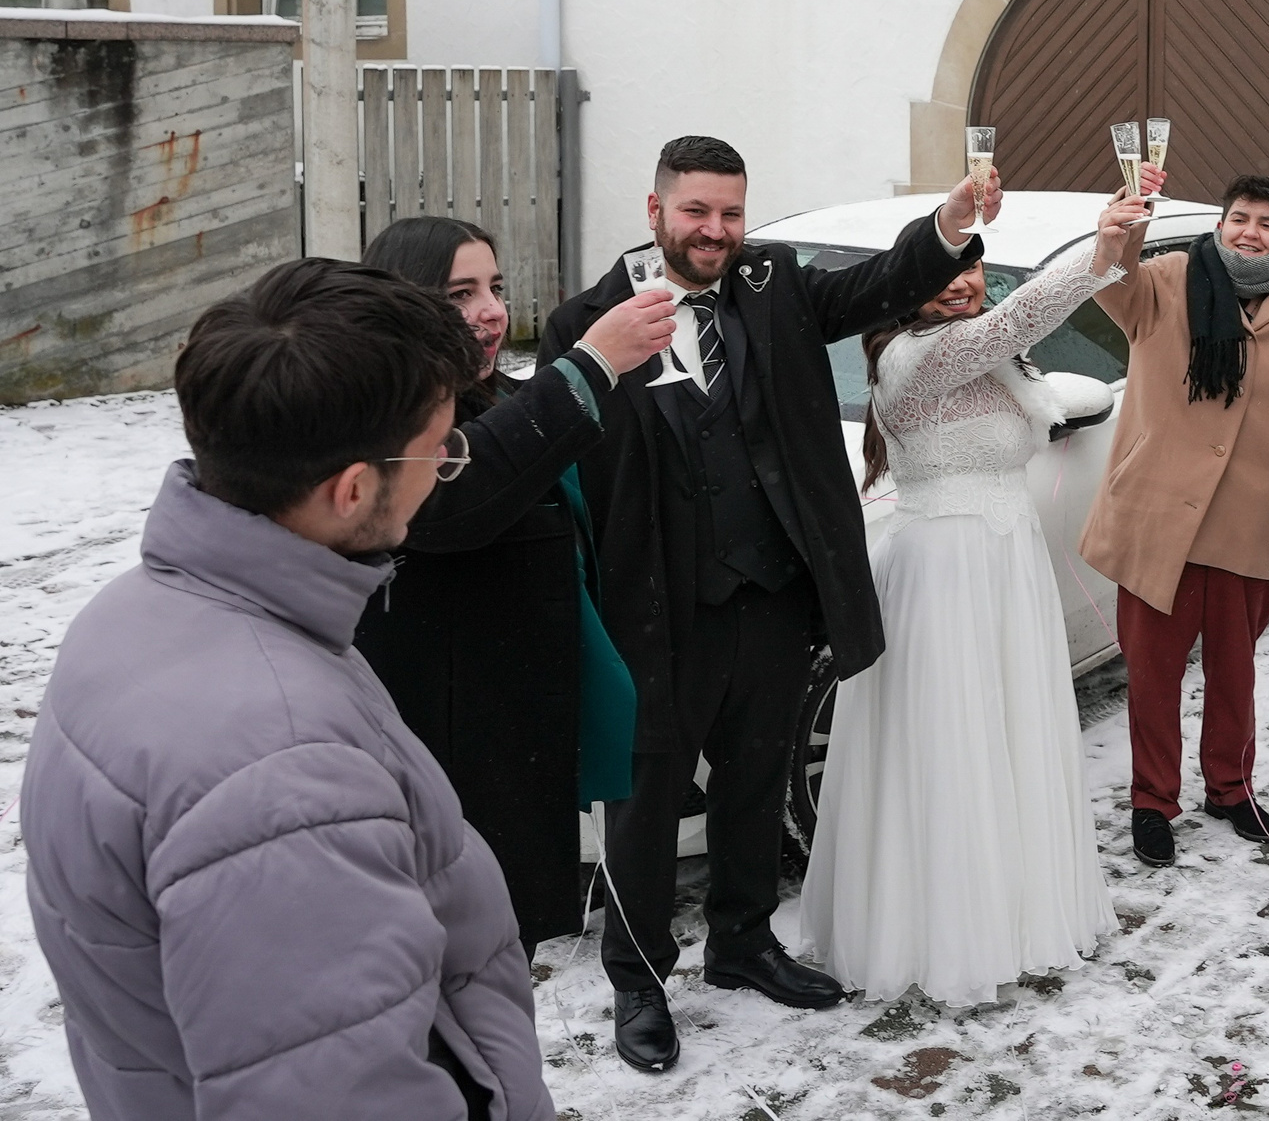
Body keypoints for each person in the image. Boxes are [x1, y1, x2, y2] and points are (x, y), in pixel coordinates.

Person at [23, 259, 554, 1121]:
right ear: (351, 490)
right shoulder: (283, 772)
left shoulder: (143, 609)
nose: (444, 469)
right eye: (439, 450)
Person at [538, 135, 991, 1074]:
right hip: (656, 608)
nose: (716, 231)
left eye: (731, 214)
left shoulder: (773, 284)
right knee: (648, 799)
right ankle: (640, 978)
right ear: (655, 208)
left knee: (753, 778)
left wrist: (948, 225)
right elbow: (566, 463)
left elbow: (877, 285)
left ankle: (743, 943)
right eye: (697, 212)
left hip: (774, 593)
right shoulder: (584, 322)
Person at [801, 187, 1145, 1004]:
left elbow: (1028, 362)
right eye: (943, 271)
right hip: (947, 568)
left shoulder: (990, 355)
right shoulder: (912, 359)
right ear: (905, 285)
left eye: (972, 268)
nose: (962, 284)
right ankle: (940, 930)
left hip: (1007, 564)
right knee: (949, 745)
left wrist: (1126, 245)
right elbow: (1018, 319)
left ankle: (1018, 911)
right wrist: (1094, 255)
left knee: (1008, 737)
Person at [355, 215, 672, 948]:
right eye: (461, 294)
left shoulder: (499, 398)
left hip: (516, 737)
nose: (493, 311)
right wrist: (591, 365)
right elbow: (458, 492)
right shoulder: (387, 427)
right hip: (453, 762)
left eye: (495, 287)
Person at [1075, 169, 1269, 867]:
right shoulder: (1165, 280)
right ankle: (1151, 800)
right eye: (1240, 219)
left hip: (1248, 518)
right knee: (1153, 673)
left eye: (1267, 223)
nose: (1251, 233)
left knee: (1235, 672)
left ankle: (1230, 787)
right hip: (1160, 512)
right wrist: (1119, 224)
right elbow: (1109, 280)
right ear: (1220, 224)